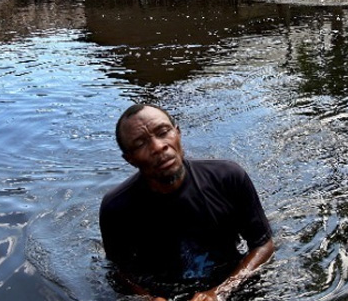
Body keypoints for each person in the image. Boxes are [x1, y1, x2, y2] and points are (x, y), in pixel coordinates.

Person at [100, 104, 274, 301]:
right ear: (129, 159)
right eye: (140, 143)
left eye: (163, 132)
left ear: (178, 132)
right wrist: (148, 298)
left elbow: (263, 245)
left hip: (228, 283)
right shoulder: (116, 208)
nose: (158, 147)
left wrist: (220, 292)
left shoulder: (228, 178)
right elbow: (118, 272)